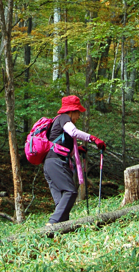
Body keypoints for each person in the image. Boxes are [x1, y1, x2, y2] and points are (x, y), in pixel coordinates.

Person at [43, 95, 106, 224]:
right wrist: (93, 138)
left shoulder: (58, 121)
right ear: (71, 111)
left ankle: (59, 232)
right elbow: (74, 132)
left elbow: (60, 144)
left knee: (61, 203)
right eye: (78, 112)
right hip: (56, 162)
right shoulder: (64, 118)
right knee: (70, 192)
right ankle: (52, 224)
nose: (78, 116)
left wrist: (76, 150)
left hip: (49, 164)